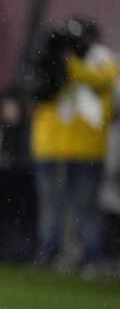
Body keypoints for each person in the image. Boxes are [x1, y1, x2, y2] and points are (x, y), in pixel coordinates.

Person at [30, 17, 117, 272]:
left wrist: (67, 62)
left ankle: (90, 257)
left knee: (86, 207)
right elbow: (39, 91)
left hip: (86, 148)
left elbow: (102, 79)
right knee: (52, 206)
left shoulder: (101, 61)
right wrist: (54, 59)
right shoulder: (50, 62)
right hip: (53, 147)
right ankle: (49, 253)